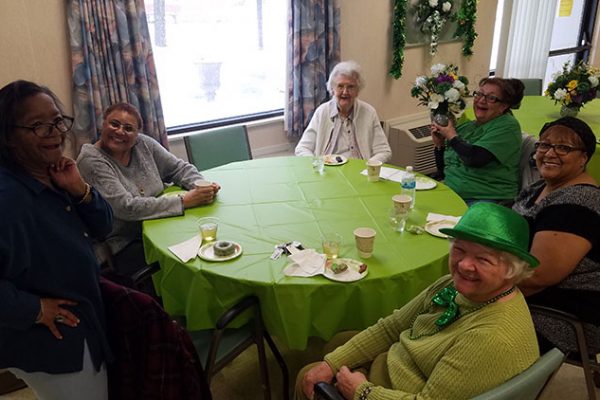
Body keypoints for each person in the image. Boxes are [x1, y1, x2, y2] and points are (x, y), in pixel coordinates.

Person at [296, 202, 540, 400]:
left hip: (397, 390)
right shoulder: (453, 286)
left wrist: (362, 392)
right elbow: (391, 327)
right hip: (402, 366)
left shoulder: (490, 337)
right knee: (336, 347)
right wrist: (333, 364)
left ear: (512, 270)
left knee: (307, 375)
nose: (464, 265)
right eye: (459, 250)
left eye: (483, 259)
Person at [0, 80, 113, 399]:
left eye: (57, 121)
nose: (54, 132)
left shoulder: (54, 174)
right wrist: (33, 308)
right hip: (55, 343)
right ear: (9, 136)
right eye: (37, 125)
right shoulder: (8, 199)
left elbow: (105, 226)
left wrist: (80, 190)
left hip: (84, 319)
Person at [77, 102, 220, 277]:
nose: (120, 131)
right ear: (103, 123)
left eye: (128, 128)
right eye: (114, 124)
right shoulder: (91, 160)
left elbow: (178, 168)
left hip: (161, 223)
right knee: (194, 263)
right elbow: (126, 207)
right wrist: (185, 201)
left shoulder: (144, 144)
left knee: (210, 241)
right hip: (124, 242)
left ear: (137, 134)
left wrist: (201, 186)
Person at [512, 117, 600, 354]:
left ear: (584, 158)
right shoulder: (541, 187)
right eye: (544, 145)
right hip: (532, 297)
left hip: (563, 316)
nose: (550, 153)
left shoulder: (577, 203)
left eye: (564, 148)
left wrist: (481, 291)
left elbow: (538, 276)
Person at [431, 77, 525, 204]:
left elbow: (475, 158)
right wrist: (439, 145)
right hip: (453, 193)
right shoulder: (468, 126)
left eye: (491, 98)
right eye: (479, 94)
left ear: (503, 106)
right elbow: (444, 170)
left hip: (485, 198)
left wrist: (451, 136)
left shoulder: (508, 126)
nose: (481, 100)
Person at [294, 60, 392, 163]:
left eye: (350, 87)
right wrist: (316, 163)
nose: (345, 92)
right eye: (340, 86)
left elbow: (384, 151)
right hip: (328, 172)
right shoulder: (322, 112)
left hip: (359, 172)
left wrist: (368, 166)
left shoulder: (369, 113)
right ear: (332, 89)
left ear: (357, 91)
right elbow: (302, 148)